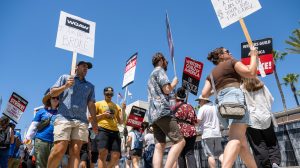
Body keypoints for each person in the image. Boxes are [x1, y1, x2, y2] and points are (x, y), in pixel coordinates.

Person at [201, 46, 258, 168]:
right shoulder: (232, 62)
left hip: (221, 106)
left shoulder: (211, 74)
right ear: (221, 55)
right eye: (227, 51)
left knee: (242, 146)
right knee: (236, 139)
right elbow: (251, 73)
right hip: (235, 100)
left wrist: (220, 88)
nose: (230, 52)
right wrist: (253, 56)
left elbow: (204, 94)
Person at [47, 61, 98, 168]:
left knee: (75, 151)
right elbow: (52, 93)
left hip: (81, 121)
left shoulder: (90, 86)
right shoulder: (65, 78)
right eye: (83, 66)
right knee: (59, 149)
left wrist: (94, 122)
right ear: (76, 67)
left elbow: (91, 104)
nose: (86, 68)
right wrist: (66, 86)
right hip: (64, 118)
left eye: (87, 67)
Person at [147, 52, 185, 168]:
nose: (166, 63)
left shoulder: (150, 76)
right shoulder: (160, 71)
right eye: (165, 61)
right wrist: (173, 83)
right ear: (161, 60)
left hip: (153, 115)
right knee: (180, 141)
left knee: (160, 145)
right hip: (162, 111)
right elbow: (167, 89)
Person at [241, 77, 281, 168]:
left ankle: (265, 165)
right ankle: (275, 162)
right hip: (265, 116)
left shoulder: (241, 88)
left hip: (252, 119)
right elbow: (271, 99)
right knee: (271, 141)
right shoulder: (261, 85)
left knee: (258, 145)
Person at [24, 88, 59, 168]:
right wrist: (28, 138)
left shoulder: (61, 114)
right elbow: (33, 126)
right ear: (49, 99)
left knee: (53, 165)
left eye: (58, 98)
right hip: (41, 141)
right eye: (54, 97)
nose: (56, 99)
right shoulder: (41, 111)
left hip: (55, 143)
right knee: (40, 165)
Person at [94, 87, 125, 168]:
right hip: (102, 129)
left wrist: (123, 110)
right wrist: (103, 115)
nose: (109, 95)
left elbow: (121, 122)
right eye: (107, 94)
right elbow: (91, 117)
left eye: (111, 94)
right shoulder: (98, 104)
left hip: (115, 131)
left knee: (116, 156)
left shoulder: (116, 106)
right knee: (103, 153)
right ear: (104, 94)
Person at [173, 87, 197, 168]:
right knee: (190, 153)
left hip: (180, 131)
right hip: (191, 130)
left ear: (176, 97)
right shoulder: (190, 106)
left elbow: (171, 121)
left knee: (180, 154)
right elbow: (195, 120)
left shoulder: (174, 107)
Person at [196, 95, 224, 168]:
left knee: (210, 155)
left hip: (207, 133)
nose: (198, 102)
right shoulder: (215, 107)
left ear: (204, 100)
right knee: (220, 153)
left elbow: (198, 121)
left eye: (199, 101)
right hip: (217, 133)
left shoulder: (202, 108)